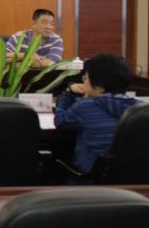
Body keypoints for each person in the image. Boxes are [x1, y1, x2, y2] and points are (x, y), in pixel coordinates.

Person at [54, 54, 141, 182]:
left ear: (99, 84)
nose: (84, 83)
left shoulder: (86, 106)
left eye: (86, 78)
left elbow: (60, 121)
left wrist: (68, 93)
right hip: (132, 182)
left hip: (89, 180)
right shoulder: (140, 109)